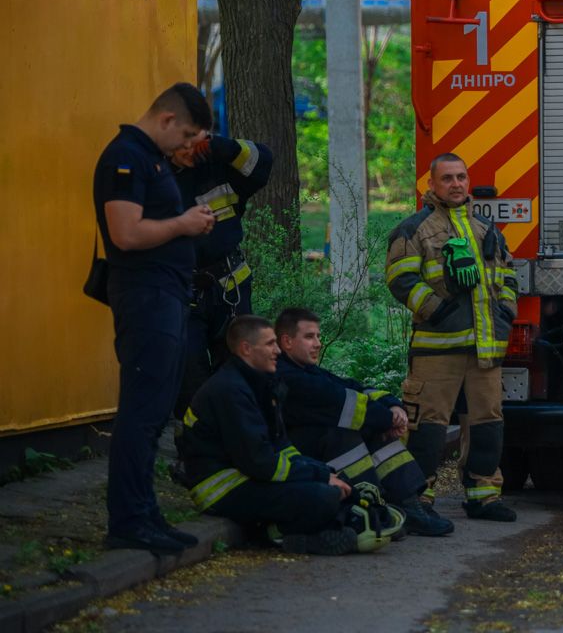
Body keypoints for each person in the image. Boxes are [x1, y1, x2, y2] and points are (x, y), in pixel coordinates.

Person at [92, 83, 215, 554]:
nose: (187, 146)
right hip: (144, 295)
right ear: (166, 120)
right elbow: (125, 233)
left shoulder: (154, 158)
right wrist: (183, 224)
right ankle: (126, 520)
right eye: (185, 134)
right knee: (141, 412)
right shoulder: (127, 157)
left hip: (164, 294)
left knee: (157, 410)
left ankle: (145, 513)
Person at [385, 153, 520, 523]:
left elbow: (508, 275)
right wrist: (437, 311)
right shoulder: (413, 229)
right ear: (431, 185)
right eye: (447, 178)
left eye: (461, 177)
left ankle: (483, 496)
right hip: (436, 349)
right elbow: (400, 280)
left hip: (485, 348)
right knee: (427, 426)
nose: (456, 184)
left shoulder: (485, 229)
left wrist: (506, 313)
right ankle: (418, 499)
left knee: (487, 424)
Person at [178, 315, 371, 556]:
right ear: (246, 349)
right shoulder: (230, 391)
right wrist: (319, 477)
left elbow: (282, 447)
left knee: (339, 487)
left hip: (246, 477)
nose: (278, 351)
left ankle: (310, 528)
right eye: (270, 344)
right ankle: (272, 535)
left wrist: (327, 473)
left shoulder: (259, 384)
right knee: (323, 498)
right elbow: (260, 463)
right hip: (221, 490)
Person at [274, 307, 454, 536]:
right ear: (287, 342)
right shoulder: (287, 375)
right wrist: (389, 419)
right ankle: (375, 510)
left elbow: (352, 386)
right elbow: (342, 402)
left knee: (375, 431)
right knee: (345, 434)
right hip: (297, 457)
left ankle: (408, 506)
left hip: (314, 452)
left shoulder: (305, 369)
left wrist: (391, 404)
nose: (318, 343)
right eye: (309, 337)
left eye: (318, 336)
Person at [170, 131, 274, 418]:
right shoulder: (157, 177)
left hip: (231, 287)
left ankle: (241, 443)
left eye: (196, 136)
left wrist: (222, 146)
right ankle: (192, 452)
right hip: (182, 294)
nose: (189, 145)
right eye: (182, 138)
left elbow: (263, 160)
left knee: (241, 370)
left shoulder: (219, 164)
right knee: (189, 377)